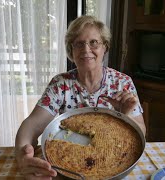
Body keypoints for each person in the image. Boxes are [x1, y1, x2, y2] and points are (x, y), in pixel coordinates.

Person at [15, 15, 146, 179]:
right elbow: (32, 125)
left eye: (94, 42)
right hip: (67, 167)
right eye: (79, 43)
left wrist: (126, 116)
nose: (86, 49)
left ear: (105, 47)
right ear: (72, 50)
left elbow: (140, 132)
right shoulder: (60, 84)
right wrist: (23, 157)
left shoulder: (122, 83)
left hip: (116, 163)